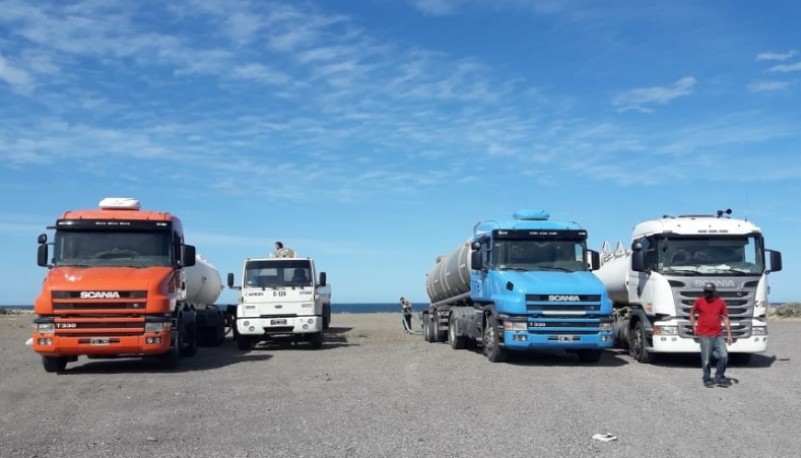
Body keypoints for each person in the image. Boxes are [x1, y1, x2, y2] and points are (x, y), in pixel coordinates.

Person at [689, 282, 733, 388]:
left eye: (709, 292)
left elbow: (725, 317)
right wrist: (694, 327)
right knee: (706, 359)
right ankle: (707, 379)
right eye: (705, 292)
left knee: (723, 356)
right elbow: (691, 313)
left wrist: (729, 334)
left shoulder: (720, 302)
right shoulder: (699, 301)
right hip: (704, 335)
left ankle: (719, 377)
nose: (707, 294)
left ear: (714, 292)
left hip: (718, 334)